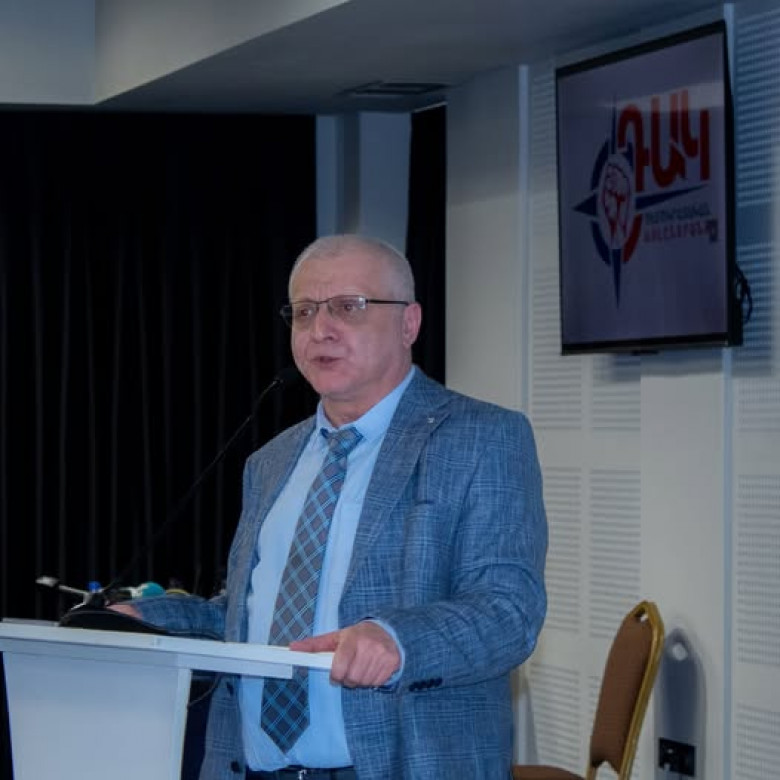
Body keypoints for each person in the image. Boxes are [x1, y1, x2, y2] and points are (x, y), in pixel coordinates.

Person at [113, 234, 547, 780]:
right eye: (304, 311)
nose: (320, 329)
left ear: (409, 323)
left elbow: (509, 610)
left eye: (348, 307)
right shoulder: (270, 461)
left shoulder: (482, 438)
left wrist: (397, 640)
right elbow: (244, 619)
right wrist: (144, 621)